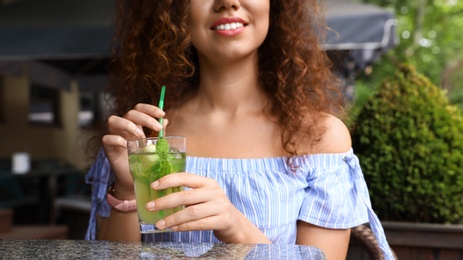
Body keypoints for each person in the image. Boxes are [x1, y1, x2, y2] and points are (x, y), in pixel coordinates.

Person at [85, 0, 395, 259]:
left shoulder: (318, 137)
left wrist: (236, 228)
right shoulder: (143, 135)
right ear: (174, 9)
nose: (228, 2)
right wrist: (126, 190)